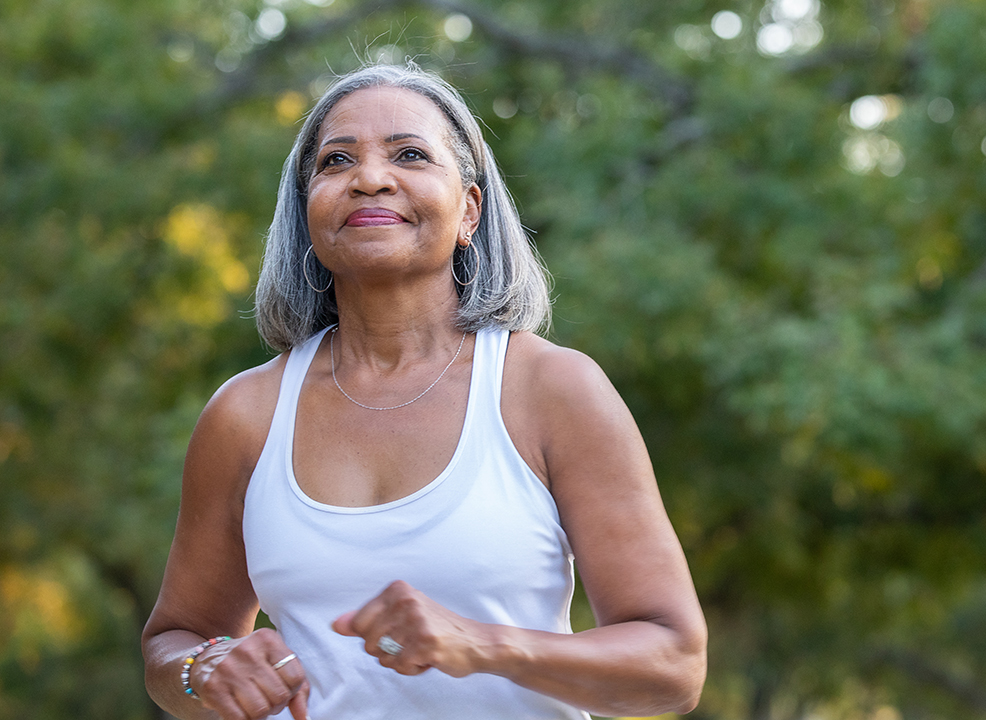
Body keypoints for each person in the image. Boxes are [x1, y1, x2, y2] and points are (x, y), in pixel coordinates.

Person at [141, 62, 707, 720]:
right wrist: (203, 668)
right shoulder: (245, 415)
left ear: (469, 209)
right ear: (307, 212)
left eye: (409, 154)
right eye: (335, 161)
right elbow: (171, 642)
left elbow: (673, 666)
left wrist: (485, 644)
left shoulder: (550, 389)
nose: (370, 177)